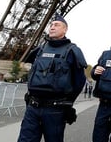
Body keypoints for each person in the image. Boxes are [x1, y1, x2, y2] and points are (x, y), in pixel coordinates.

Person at [17, 14, 87, 142]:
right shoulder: (40, 49)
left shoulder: (72, 51)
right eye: (51, 25)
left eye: (57, 25)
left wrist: (67, 102)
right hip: (33, 108)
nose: (52, 27)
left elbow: (79, 81)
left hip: (55, 109)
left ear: (65, 29)